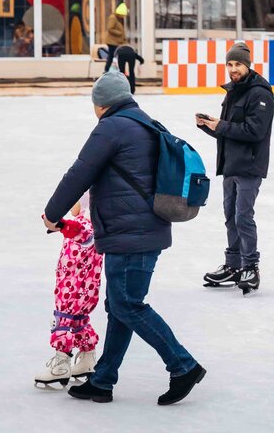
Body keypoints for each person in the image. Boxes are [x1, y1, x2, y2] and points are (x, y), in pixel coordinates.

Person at [43, 71, 204, 405]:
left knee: (128, 305)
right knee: (119, 307)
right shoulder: (144, 121)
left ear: (100, 104)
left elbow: (80, 172)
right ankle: (102, 381)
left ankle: (183, 365)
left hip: (129, 233)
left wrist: (52, 213)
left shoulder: (112, 127)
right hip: (142, 229)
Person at [198, 42, 274, 295]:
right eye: (229, 64)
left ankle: (250, 265)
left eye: (238, 64)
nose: (233, 69)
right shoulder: (232, 91)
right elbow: (230, 132)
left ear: (247, 65)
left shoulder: (260, 93)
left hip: (249, 166)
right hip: (230, 165)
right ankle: (233, 265)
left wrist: (220, 126)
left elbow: (255, 132)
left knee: (243, 216)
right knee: (230, 216)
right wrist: (210, 127)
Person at [34, 193, 103, 389]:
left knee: (63, 321)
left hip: (71, 290)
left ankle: (61, 364)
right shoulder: (98, 227)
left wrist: (60, 223)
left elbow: (76, 230)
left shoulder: (84, 225)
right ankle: (87, 359)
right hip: (87, 291)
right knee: (79, 322)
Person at [104, 2, 128, 71]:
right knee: (111, 57)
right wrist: (119, 33)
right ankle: (107, 71)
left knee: (114, 57)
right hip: (112, 42)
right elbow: (110, 28)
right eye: (122, 15)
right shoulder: (113, 18)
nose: (123, 17)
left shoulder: (118, 19)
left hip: (116, 42)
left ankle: (115, 71)